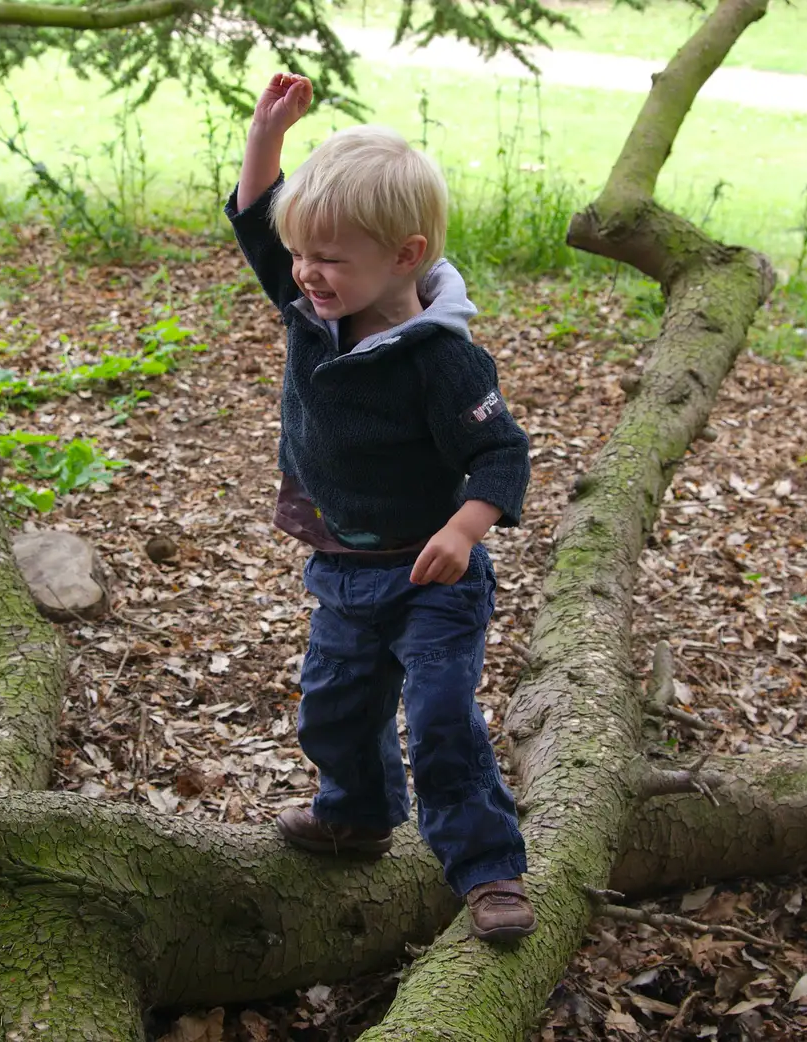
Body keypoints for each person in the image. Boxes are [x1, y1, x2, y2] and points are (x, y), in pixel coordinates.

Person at [224, 73, 536, 942]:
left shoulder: (443, 360)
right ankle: (357, 816)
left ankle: (489, 870)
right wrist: (266, 134)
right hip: (343, 564)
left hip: (433, 575)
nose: (305, 275)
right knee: (333, 706)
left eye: (329, 259)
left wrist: (465, 529)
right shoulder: (311, 308)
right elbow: (258, 219)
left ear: (405, 256)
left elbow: (500, 453)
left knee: (440, 718)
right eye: (301, 256)